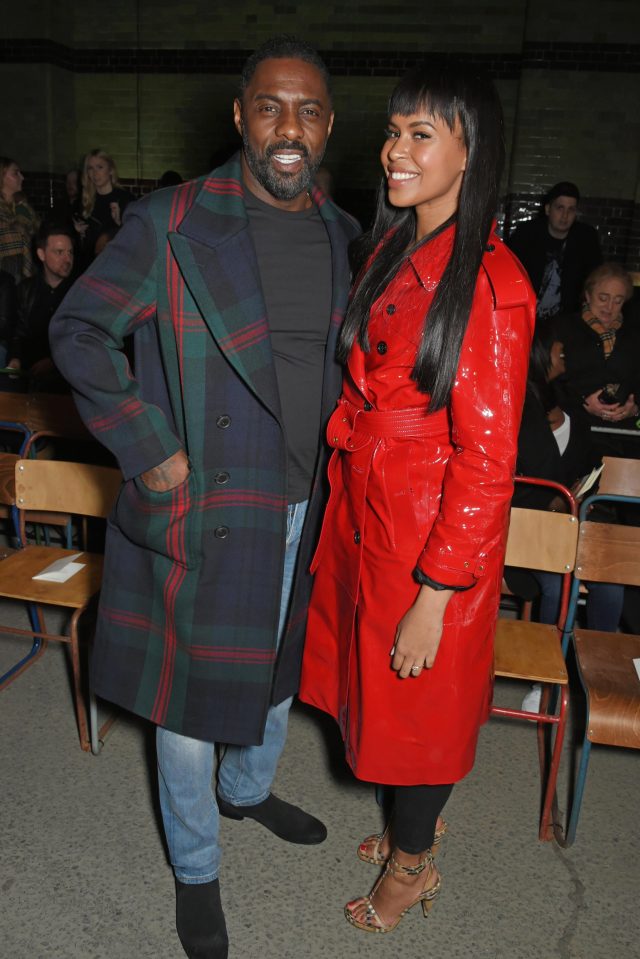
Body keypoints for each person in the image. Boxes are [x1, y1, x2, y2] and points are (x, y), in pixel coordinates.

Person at [49, 36, 359, 959]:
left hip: (306, 501)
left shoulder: (349, 234)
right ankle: (195, 866)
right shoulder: (171, 221)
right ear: (239, 116)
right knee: (188, 702)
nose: (289, 127)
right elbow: (79, 327)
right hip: (208, 502)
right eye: (270, 106)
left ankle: (249, 788)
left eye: (307, 109)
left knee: (273, 672)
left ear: (329, 123)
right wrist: (148, 447)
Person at [299, 62, 535, 934]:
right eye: (395, 130)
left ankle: (413, 864)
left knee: (420, 710)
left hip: (430, 535)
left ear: (472, 156)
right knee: (390, 703)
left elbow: (488, 462)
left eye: (422, 135)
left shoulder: (492, 287)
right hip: (376, 509)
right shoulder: (401, 244)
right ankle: (412, 820)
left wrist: (437, 595)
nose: (396, 150)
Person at [504, 319, 625, 711]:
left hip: (568, 520)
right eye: (558, 348)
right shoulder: (514, 400)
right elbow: (510, 477)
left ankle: (602, 682)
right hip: (528, 526)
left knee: (608, 573)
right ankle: (547, 677)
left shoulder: (571, 399)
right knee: (557, 581)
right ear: (539, 352)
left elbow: (590, 459)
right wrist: (555, 501)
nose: (565, 354)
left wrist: (580, 487)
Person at [554, 262, 640, 458]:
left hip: (623, 434)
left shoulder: (634, 336)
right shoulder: (562, 329)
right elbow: (547, 382)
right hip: (574, 428)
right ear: (587, 295)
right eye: (603, 298)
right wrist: (582, 402)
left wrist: (634, 408)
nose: (609, 307)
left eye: (618, 301)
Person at [507, 181, 601, 319]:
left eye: (571, 209)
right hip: (525, 315)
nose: (565, 215)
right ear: (548, 209)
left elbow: (596, 277)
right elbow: (509, 271)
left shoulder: (586, 238)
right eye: (560, 208)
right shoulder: (527, 234)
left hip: (568, 319)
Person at [7, 222, 74, 392]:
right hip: (31, 376)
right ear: (41, 254)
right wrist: (15, 359)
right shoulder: (25, 289)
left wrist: (53, 362)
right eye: (59, 252)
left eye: (70, 252)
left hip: (67, 380)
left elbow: (82, 341)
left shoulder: (78, 291)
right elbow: (18, 334)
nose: (67, 259)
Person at [73, 149, 134, 264]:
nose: (95, 174)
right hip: (88, 265)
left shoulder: (125, 199)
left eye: (100, 167)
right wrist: (76, 232)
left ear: (110, 170)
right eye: (90, 168)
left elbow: (135, 238)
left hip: (116, 264)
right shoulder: (83, 201)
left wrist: (119, 223)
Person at [0, 157, 39, 282]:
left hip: (27, 272)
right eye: (15, 173)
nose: (22, 177)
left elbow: (38, 232)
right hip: (6, 276)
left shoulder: (22, 207)